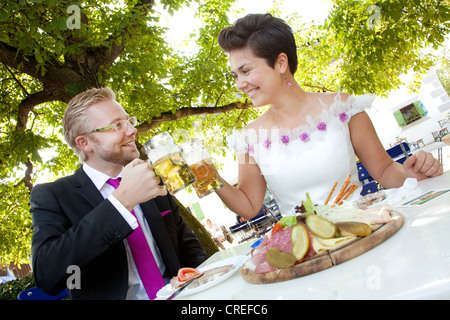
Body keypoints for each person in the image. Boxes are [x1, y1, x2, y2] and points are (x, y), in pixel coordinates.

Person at [215, 13, 443, 219]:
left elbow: (384, 171)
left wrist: (411, 174)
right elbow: (249, 205)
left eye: (246, 71)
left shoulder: (343, 107)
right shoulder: (247, 138)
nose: (240, 84)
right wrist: (207, 176)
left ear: (281, 62)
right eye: (235, 75)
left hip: (360, 231)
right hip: (304, 253)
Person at [30, 87, 208, 300]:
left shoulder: (150, 177)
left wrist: (204, 288)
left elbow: (188, 246)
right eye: (117, 125)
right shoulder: (54, 195)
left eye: (128, 121)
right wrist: (122, 201)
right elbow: (48, 275)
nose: (132, 130)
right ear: (84, 143)